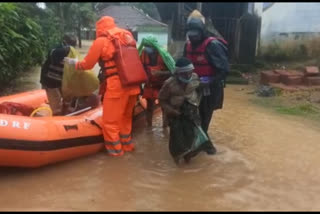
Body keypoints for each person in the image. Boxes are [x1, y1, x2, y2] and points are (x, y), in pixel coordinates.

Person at [64, 16, 140, 157]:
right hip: (134, 84)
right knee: (125, 118)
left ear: (99, 28)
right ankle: (127, 147)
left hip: (117, 86)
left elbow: (87, 65)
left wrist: (72, 62)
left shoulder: (101, 41)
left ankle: (116, 154)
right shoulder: (127, 36)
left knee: (110, 123)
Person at [183, 10, 229, 155]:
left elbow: (224, 70)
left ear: (202, 32)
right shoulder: (188, 46)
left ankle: (203, 148)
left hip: (210, 89)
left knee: (203, 118)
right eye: (190, 34)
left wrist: (208, 82)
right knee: (191, 117)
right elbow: (183, 64)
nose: (193, 38)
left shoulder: (213, 45)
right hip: (193, 88)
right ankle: (204, 146)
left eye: (195, 34)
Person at [159, 57, 210, 164]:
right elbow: (162, 100)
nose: (187, 76)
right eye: (184, 74)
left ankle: (188, 161)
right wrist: (172, 111)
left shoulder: (195, 78)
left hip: (191, 114)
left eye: (189, 73)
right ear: (177, 73)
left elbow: (199, 91)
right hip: (176, 115)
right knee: (177, 142)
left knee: (191, 140)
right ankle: (177, 163)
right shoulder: (169, 84)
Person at [138, 36, 174, 127]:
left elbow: (173, 72)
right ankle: (149, 127)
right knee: (149, 107)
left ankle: (165, 128)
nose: (147, 48)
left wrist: (160, 73)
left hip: (162, 85)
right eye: (145, 46)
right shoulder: (143, 54)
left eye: (149, 46)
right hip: (149, 85)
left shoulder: (164, 55)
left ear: (154, 46)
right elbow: (138, 69)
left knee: (164, 107)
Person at [40, 34, 78, 115]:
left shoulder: (73, 54)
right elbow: (53, 56)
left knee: (67, 102)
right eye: (71, 45)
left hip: (62, 81)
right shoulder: (56, 50)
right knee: (56, 107)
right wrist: (67, 50)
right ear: (64, 43)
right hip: (50, 82)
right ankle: (56, 121)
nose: (72, 48)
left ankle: (63, 117)